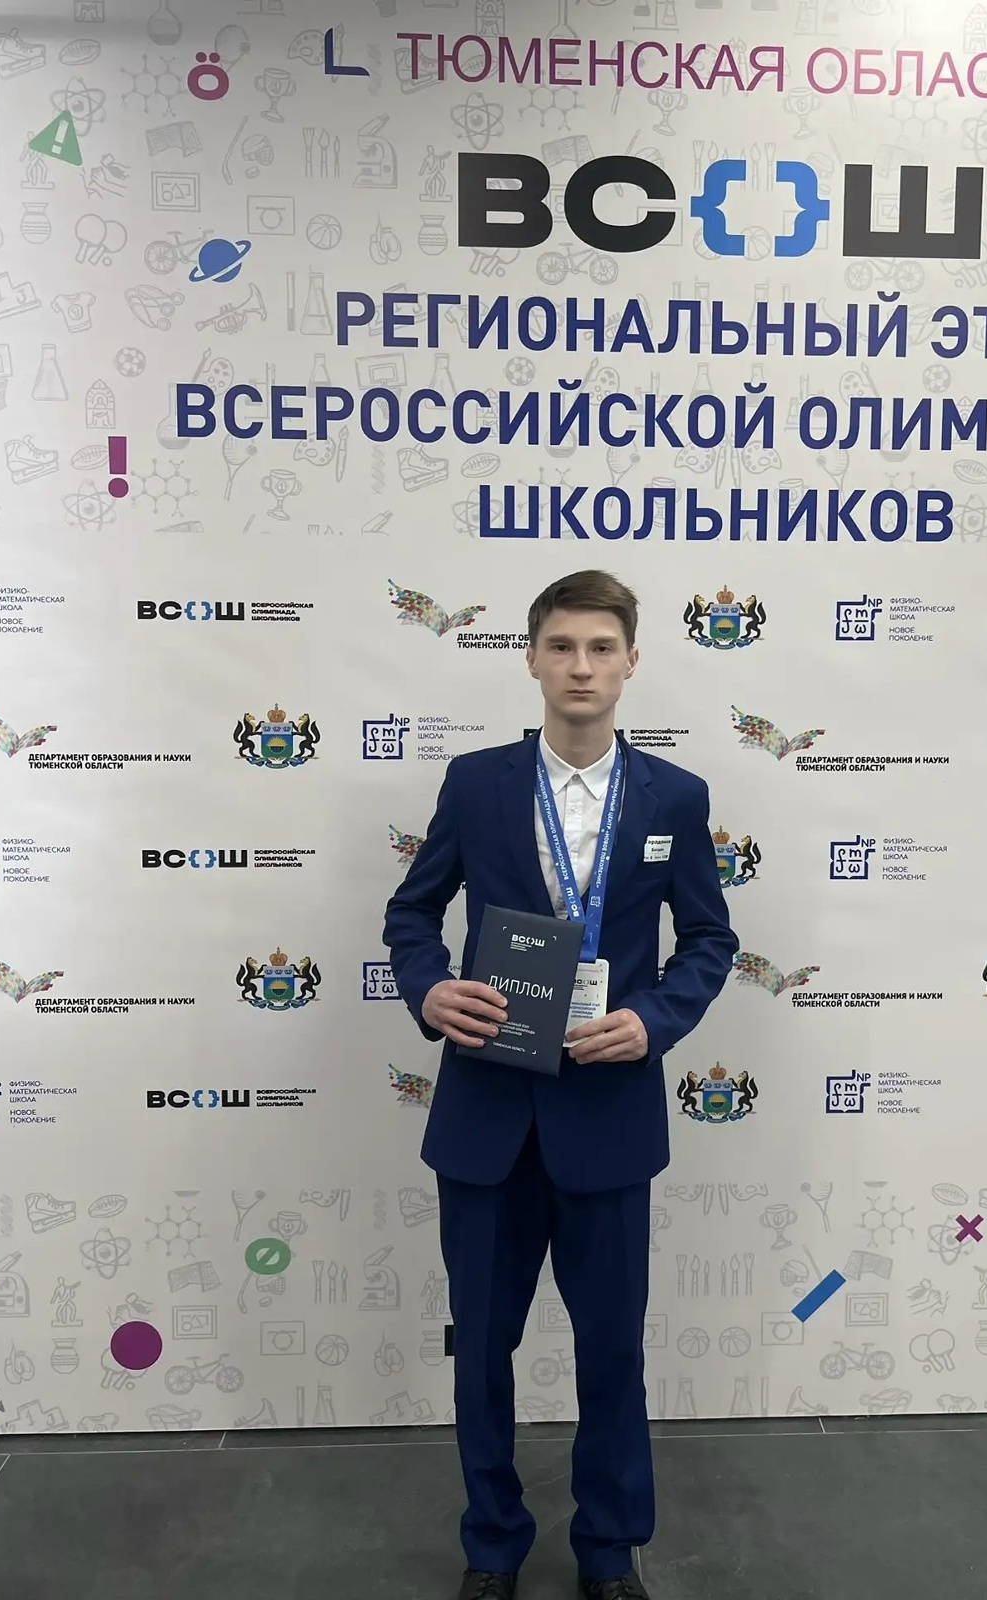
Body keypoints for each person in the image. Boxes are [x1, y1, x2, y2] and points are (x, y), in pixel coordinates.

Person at [383, 568, 739, 1600]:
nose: (581, 666)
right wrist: (428, 989)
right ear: (531, 659)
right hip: (486, 1116)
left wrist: (654, 1021)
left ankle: (608, 1549)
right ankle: (491, 1545)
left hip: (607, 1116)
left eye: (600, 648)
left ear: (630, 662)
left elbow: (709, 940)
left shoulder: (676, 796)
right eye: (561, 647)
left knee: (611, 1351)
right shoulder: (475, 784)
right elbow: (411, 913)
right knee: (481, 1351)